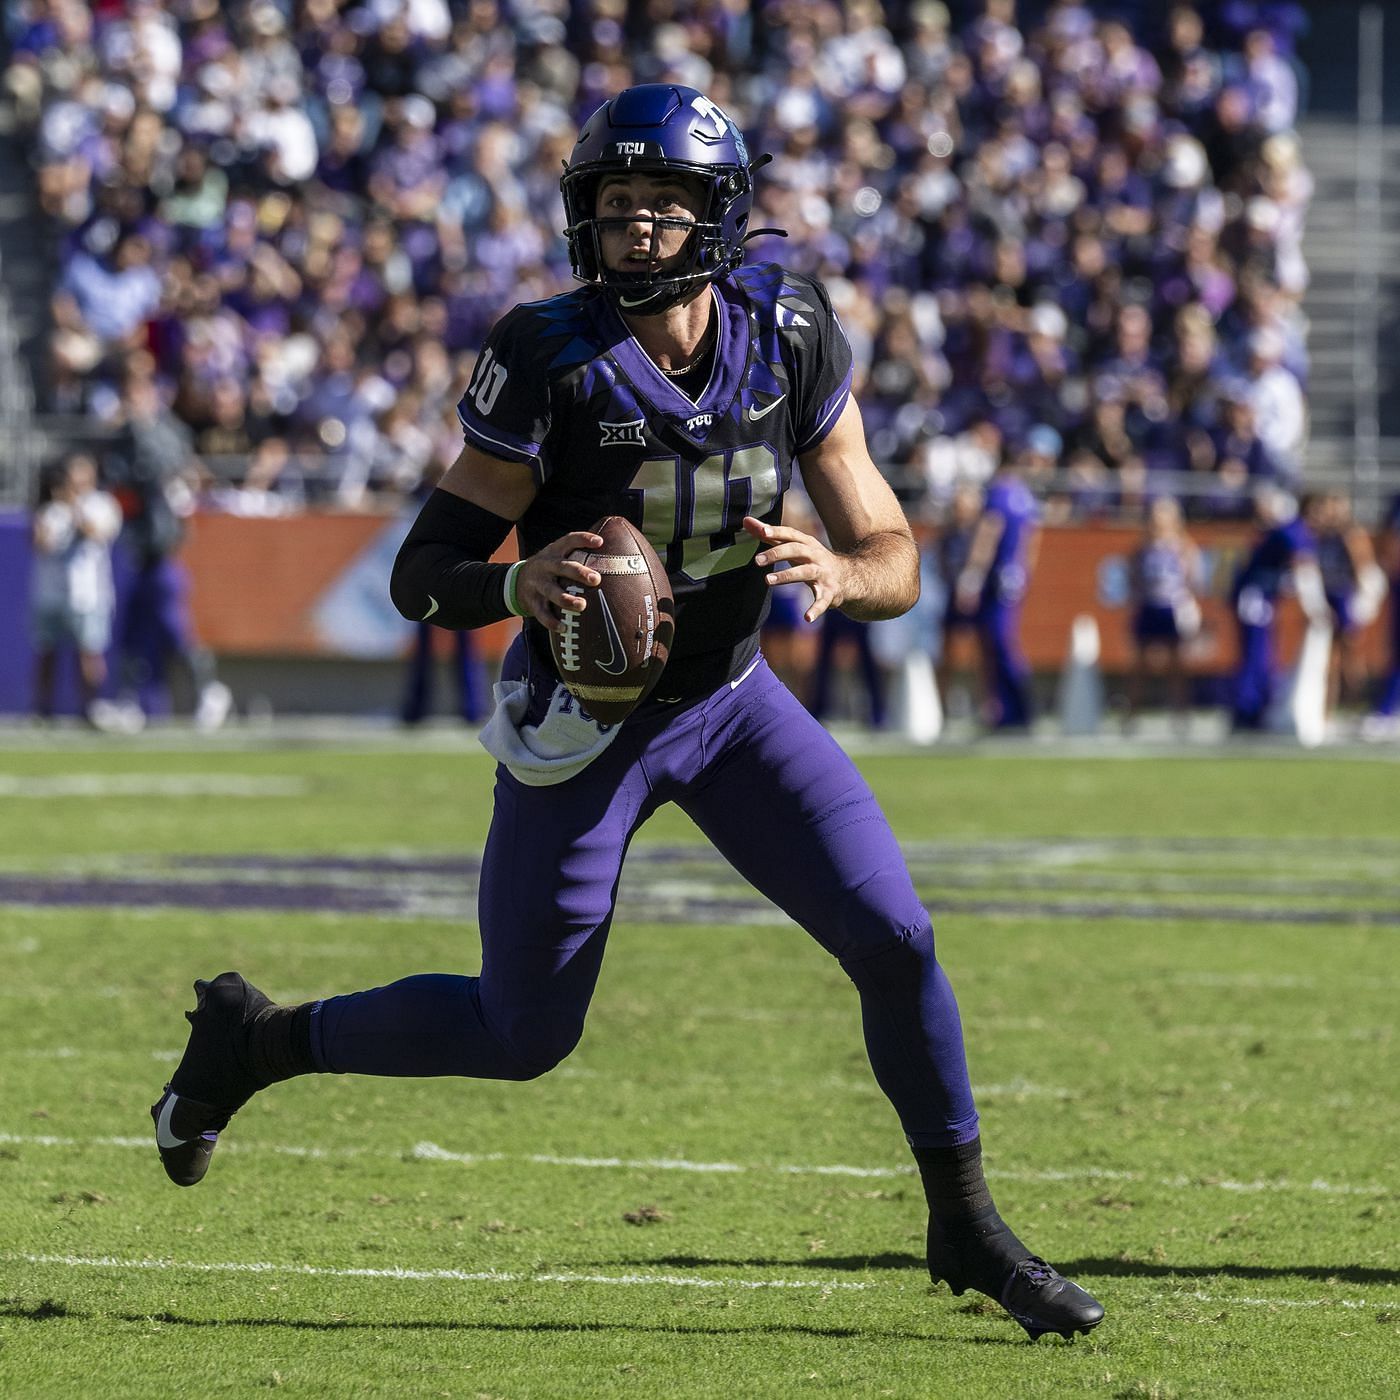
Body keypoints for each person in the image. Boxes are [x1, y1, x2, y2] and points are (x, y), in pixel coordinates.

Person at [150, 85, 1104, 1342]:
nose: (636, 227)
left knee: (896, 937)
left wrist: (843, 572)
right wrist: (513, 580)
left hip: (729, 702)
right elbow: (418, 569)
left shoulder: (791, 330)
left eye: (662, 204)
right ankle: (257, 1042)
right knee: (521, 1030)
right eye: (613, 204)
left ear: (719, 214)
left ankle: (966, 1221)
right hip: (582, 720)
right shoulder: (548, 354)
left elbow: (891, 547)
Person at [28, 452, 122, 722]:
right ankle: (41, 709)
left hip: (88, 594)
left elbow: (96, 533)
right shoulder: (51, 509)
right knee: (46, 651)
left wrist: (75, 507)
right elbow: (39, 544)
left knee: (89, 652)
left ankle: (91, 706)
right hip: (50, 592)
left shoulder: (103, 504)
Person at [955, 443, 1041, 730]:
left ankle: (1011, 709)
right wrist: (1024, 574)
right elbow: (1031, 542)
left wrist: (971, 576)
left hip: (996, 580)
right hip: (1012, 579)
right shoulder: (1026, 497)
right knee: (1004, 643)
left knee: (996, 644)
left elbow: (987, 533)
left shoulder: (999, 493)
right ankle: (1013, 708)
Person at [1230, 489, 1328, 731]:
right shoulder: (1292, 531)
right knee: (1256, 655)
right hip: (1256, 597)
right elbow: (1302, 566)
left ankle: (1255, 708)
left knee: (1264, 655)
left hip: (1265, 597)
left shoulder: (1294, 532)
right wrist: (1313, 605)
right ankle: (1247, 711)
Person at [1124, 496, 1203, 728]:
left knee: (1176, 665)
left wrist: (1187, 604)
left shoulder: (1183, 546)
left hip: (1172, 608)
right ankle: (1132, 714)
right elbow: (1133, 576)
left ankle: (1181, 715)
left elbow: (1194, 578)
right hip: (1148, 606)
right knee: (1139, 664)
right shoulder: (1142, 548)